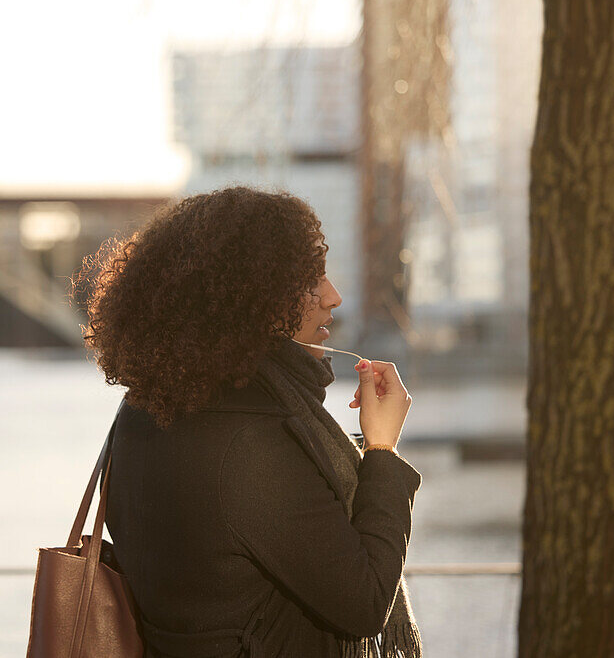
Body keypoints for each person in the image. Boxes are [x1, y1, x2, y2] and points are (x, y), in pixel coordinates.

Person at [76, 186, 423, 657]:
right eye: (308, 282)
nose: (333, 296)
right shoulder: (252, 442)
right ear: (250, 298)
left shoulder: (144, 409)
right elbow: (364, 603)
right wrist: (381, 451)